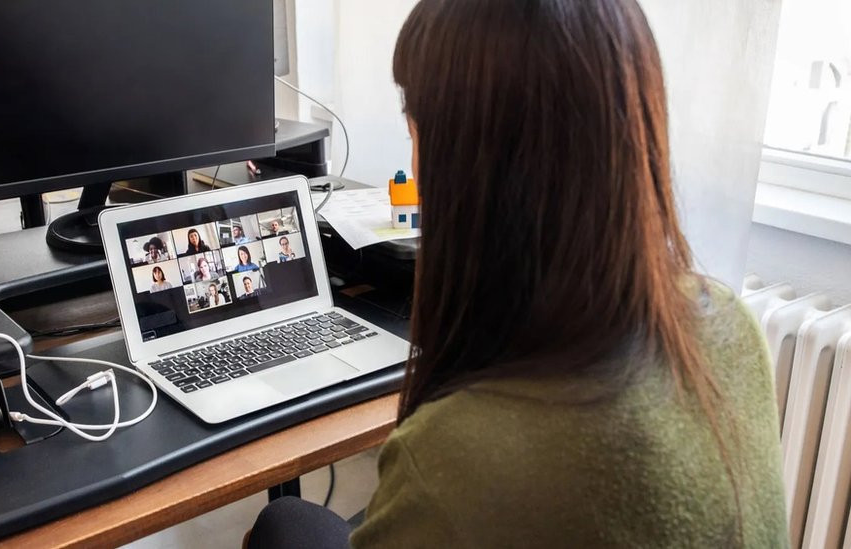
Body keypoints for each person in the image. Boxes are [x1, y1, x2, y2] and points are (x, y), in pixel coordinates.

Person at [246, 1, 786, 548]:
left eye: (415, 116)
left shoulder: (458, 459)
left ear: (470, 162)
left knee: (283, 527)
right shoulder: (730, 328)